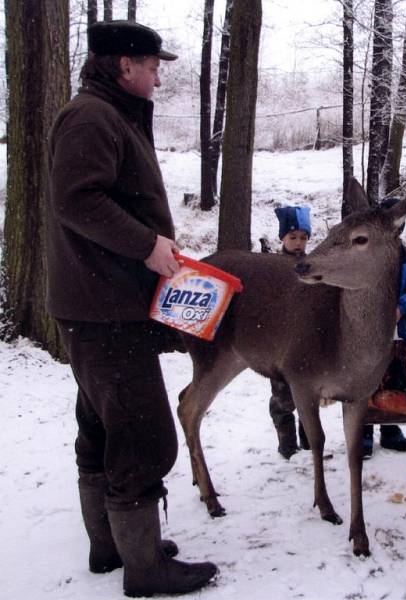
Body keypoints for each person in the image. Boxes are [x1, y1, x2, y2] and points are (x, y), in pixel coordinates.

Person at [46, 21, 217, 597]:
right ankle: (144, 570)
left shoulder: (107, 113)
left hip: (100, 302)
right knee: (143, 436)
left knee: (102, 424)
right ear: (125, 65)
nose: (158, 75)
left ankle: (111, 547)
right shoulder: (92, 117)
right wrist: (148, 246)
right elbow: (77, 199)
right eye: (151, 65)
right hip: (106, 307)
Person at [362, 197, 406, 457]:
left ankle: (390, 431)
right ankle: (363, 432)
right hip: (366, 332)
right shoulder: (364, 253)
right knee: (366, 382)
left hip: (397, 330)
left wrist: (402, 306)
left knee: (395, 380)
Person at [267, 206, 312, 458]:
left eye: (303, 238)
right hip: (279, 344)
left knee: (308, 394)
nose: (298, 243)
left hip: (307, 341)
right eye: (292, 237)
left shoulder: (311, 264)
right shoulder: (272, 266)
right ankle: (287, 442)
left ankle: (309, 440)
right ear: (282, 237)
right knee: (283, 396)